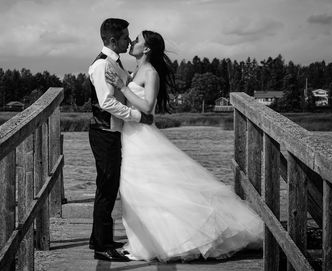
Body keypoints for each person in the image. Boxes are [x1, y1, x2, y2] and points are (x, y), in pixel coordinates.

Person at [105, 30, 264, 262]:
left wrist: (123, 87)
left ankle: (167, 243)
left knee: (147, 188)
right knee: (137, 190)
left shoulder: (150, 72)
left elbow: (148, 108)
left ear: (146, 49)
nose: (132, 42)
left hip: (143, 138)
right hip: (131, 137)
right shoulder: (137, 70)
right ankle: (149, 242)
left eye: (137, 40)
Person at [87, 18, 154, 262]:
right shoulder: (101, 65)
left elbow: (125, 89)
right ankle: (102, 246)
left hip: (112, 132)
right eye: (126, 37)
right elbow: (106, 102)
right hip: (104, 132)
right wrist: (137, 116)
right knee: (106, 186)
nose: (129, 41)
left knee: (109, 185)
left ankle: (99, 238)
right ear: (113, 40)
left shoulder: (115, 63)